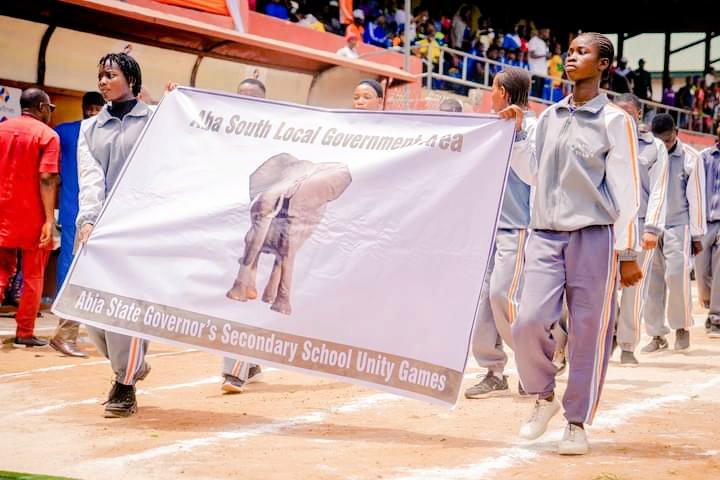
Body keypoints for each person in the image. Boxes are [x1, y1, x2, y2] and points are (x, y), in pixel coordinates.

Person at [500, 32, 642, 455]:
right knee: (526, 322)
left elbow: (628, 192)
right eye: (570, 51)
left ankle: (576, 423)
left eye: (583, 52)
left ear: (603, 65)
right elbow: (531, 174)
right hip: (544, 234)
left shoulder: (616, 122)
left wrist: (628, 253)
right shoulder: (548, 117)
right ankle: (542, 396)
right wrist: (516, 135)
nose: (571, 57)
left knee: (588, 333)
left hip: (593, 238)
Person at [77, 52, 154, 417]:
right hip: (102, 229)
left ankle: (124, 385)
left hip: (142, 231)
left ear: (132, 80)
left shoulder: (156, 121)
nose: (103, 82)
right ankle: (132, 362)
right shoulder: (89, 128)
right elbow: (90, 179)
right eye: (100, 75)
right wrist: (87, 222)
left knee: (129, 311)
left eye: (110, 75)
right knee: (92, 310)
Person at [464, 67, 536, 399]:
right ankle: (493, 370)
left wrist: (518, 133)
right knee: (480, 301)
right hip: (488, 227)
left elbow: (534, 174)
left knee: (501, 296)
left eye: (492, 88)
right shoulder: (491, 128)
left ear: (504, 93)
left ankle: (533, 361)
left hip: (518, 225)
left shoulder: (533, 127)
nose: (489, 94)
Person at [0, 88, 59, 348]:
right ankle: (25, 332)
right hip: (32, 216)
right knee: (34, 274)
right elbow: (47, 178)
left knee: (1, 270)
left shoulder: (2, 129)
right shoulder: (48, 135)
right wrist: (48, 219)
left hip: (2, 213)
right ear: (42, 107)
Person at [613, 94, 669, 366]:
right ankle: (606, 335)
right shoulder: (606, 141)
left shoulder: (654, 147)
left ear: (639, 116)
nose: (624, 117)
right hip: (611, 226)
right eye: (618, 111)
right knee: (604, 286)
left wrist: (652, 229)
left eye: (628, 113)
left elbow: (659, 189)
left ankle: (626, 345)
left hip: (641, 227)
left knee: (633, 287)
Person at [642, 113, 706, 353]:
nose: (664, 145)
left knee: (677, 275)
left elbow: (696, 197)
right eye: (660, 141)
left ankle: (681, 327)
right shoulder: (646, 154)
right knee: (651, 281)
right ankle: (657, 334)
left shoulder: (690, 157)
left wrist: (697, 234)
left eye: (668, 141)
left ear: (676, 134)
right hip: (650, 226)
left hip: (678, 224)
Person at [221, 78, 268, 393]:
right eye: (240, 96)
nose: (246, 101)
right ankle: (247, 362)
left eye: (253, 97)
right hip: (222, 226)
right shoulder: (224, 132)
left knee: (243, 293)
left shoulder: (276, 135)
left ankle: (234, 369)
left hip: (257, 227)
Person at [50, 91, 105, 358]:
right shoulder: (92, 132)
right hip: (84, 211)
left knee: (75, 266)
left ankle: (68, 328)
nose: (95, 113)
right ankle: (65, 328)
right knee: (76, 267)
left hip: (78, 208)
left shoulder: (65, 131)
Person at [697, 125, 720, 337]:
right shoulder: (703, 158)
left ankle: (716, 317)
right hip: (703, 222)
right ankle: (709, 304)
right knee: (702, 273)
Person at [527, 28, 549, 99]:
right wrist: (544, 55)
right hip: (535, 71)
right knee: (535, 95)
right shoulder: (534, 40)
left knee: (540, 96)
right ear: (542, 31)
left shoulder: (543, 43)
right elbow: (531, 55)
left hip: (543, 72)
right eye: (546, 32)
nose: (548, 34)